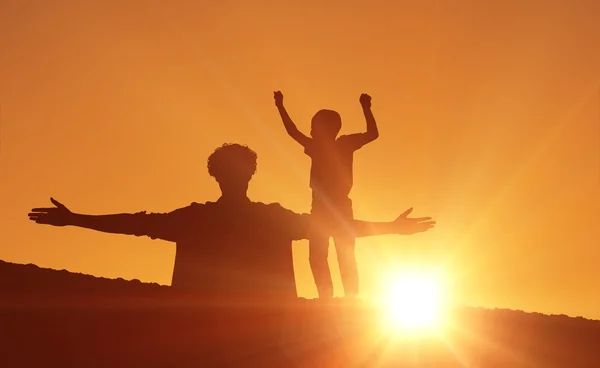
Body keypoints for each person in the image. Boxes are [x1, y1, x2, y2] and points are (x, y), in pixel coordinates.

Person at [28, 143, 433, 305]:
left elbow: (134, 224)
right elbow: (336, 229)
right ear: (246, 174)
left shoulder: (201, 219)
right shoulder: (259, 219)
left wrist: (75, 220)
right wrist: (392, 229)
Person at [273, 90, 378, 299]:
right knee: (322, 255)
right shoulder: (321, 146)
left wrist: (366, 108)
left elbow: (372, 134)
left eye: (314, 126)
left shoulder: (339, 144)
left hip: (335, 207)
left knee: (337, 255)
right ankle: (330, 297)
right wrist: (280, 107)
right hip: (323, 207)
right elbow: (293, 132)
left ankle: (345, 298)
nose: (311, 130)